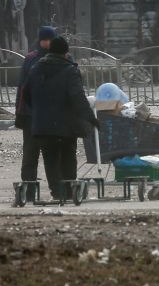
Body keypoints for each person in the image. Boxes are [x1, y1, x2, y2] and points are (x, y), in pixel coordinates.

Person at [23, 36, 98, 201]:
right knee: (68, 157)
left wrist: (39, 109)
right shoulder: (70, 70)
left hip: (42, 125)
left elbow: (26, 95)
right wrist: (91, 118)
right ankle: (69, 191)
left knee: (50, 159)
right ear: (66, 52)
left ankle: (57, 193)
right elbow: (78, 97)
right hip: (66, 125)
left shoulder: (36, 68)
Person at [14, 26, 56, 184]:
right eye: (45, 40)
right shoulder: (30, 59)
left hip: (52, 117)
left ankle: (55, 188)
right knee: (30, 154)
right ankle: (29, 187)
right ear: (40, 41)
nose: (47, 43)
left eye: (50, 40)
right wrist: (19, 113)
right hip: (31, 116)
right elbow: (22, 88)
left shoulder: (62, 57)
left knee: (51, 155)